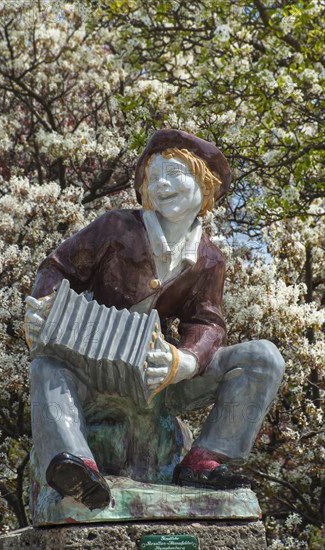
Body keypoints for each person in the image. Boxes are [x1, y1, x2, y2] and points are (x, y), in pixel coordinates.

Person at [25, 129, 284, 511]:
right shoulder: (116, 228)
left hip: (158, 379)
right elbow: (58, 267)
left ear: (204, 183)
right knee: (47, 367)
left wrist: (185, 361)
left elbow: (207, 321)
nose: (162, 183)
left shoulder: (209, 258)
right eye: (153, 175)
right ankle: (77, 468)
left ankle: (203, 462)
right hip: (92, 370)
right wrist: (40, 307)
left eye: (175, 172)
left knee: (263, 358)